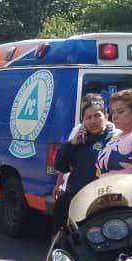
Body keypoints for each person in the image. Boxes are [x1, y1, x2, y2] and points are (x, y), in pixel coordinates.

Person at [52, 94, 118, 230]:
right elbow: (61, 166)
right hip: (74, 199)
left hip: (100, 203)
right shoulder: (79, 138)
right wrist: (71, 144)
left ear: (106, 117)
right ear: (83, 121)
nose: (93, 121)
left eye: (97, 115)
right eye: (88, 117)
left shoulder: (116, 138)